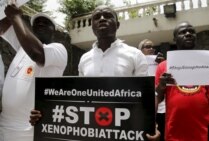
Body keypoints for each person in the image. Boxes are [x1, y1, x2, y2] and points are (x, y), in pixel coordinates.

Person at [30, 5, 160, 141]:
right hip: (92, 132)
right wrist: (44, 115)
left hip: (125, 132)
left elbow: (146, 97)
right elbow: (80, 98)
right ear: (92, 27)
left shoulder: (135, 55)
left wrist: (152, 125)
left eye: (108, 16)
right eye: (97, 17)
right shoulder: (84, 59)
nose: (102, 19)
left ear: (118, 25)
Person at [0, 3, 68, 141]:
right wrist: (6, 5)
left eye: (46, 22)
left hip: (29, 132)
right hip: (4, 127)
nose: (40, 24)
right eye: (36, 22)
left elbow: (37, 54)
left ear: (53, 31)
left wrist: (15, 16)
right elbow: (3, 26)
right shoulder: (22, 47)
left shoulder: (58, 49)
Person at [155, 22, 209, 141]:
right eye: (183, 32)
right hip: (175, 133)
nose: (188, 34)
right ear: (175, 39)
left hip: (206, 132)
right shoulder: (163, 66)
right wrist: (161, 86)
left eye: (191, 32)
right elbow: (157, 98)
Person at [139, 39, 165, 141]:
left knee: (161, 133)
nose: (151, 49)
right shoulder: (137, 63)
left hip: (161, 105)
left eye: (152, 47)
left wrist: (162, 63)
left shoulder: (160, 62)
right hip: (144, 106)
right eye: (148, 47)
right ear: (140, 50)